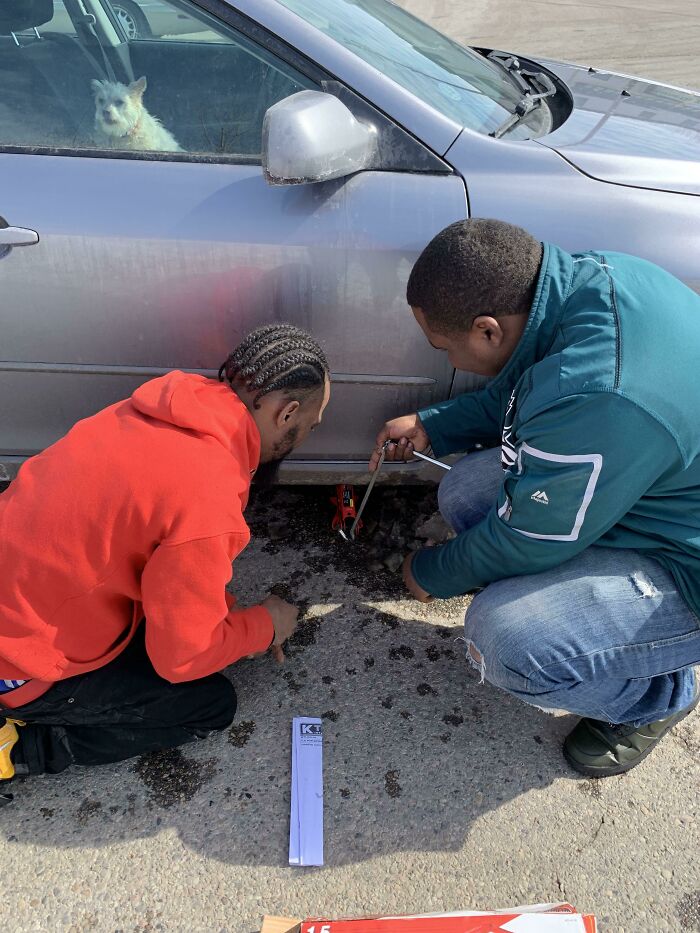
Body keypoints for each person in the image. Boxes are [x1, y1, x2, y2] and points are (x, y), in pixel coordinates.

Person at [372, 218, 700, 778]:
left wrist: (427, 573)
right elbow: (521, 392)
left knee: (504, 639)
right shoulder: (591, 281)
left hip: (686, 566)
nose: (448, 361)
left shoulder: (600, 392)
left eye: (445, 347)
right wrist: (434, 424)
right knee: (466, 492)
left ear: (488, 330)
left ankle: (658, 694)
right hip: (652, 494)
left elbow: (525, 540)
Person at [0, 324, 330, 780]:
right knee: (209, 704)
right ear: (288, 414)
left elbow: (172, 573)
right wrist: (263, 627)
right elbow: (181, 659)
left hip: (22, 600)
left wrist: (229, 618)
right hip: (18, 665)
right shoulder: (208, 494)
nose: (308, 436)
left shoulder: (157, 408)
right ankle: (23, 749)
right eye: (311, 426)